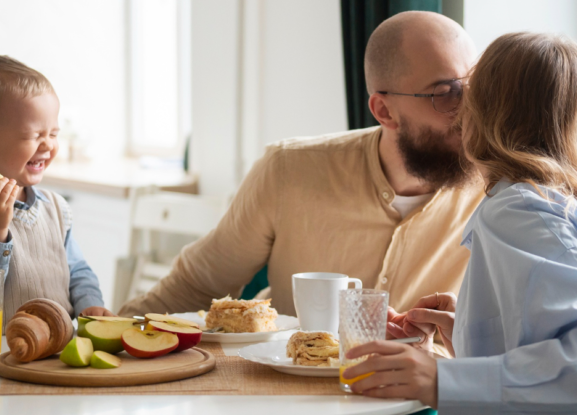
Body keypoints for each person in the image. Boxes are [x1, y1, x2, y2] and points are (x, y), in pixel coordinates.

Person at [342, 32, 577, 414]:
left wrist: (442, 379)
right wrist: (476, 331)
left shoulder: (516, 208)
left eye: (465, 95)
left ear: (482, 113)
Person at [119, 11, 484, 317]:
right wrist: (111, 333)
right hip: (288, 397)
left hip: (424, 400)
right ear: (384, 111)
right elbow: (196, 286)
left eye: (475, 85)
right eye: (446, 92)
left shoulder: (500, 189)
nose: (470, 109)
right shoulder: (288, 171)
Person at [0, 55, 114, 344]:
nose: (48, 145)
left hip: (52, 355)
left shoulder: (56, 207)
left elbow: (77, 270)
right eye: (34, 135)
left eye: (53, 133)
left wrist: (90, 303)